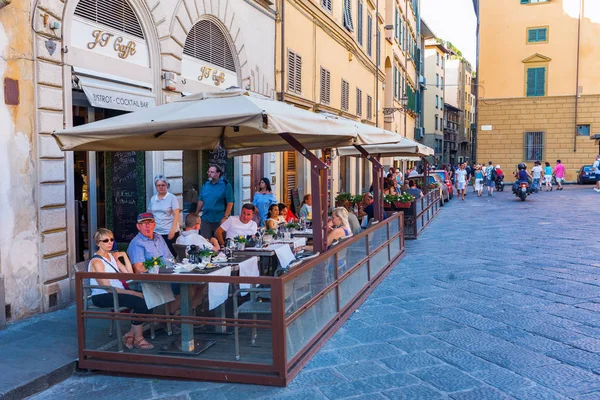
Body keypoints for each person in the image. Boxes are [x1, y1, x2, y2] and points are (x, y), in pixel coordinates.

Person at [90, 228, 154, 350]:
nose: (110, 243)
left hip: (117, 291)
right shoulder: (97, 262)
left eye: (111, 240)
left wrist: (124, 255)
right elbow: (108, 288)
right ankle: (138, 339)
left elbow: (129, 274)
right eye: (105, 240)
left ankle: (130, 334)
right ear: (98, 243)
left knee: (151, 297)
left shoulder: (111, 256)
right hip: (103, 296)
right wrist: (132, 293)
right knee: (140, 301)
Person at [195, 165, 234, 240]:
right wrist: (196, 214)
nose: (209, 173)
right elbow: (201, 199)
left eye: (212, 172)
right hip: (206, 218)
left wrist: (225, 217)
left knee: (220, 243)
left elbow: (230, 202)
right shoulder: (206, 184)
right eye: (208, 172)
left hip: (219, 219)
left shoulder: (225, 184)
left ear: (218, 173)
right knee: (205, 243)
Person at [148, 175, 180, 255]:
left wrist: (172, 231)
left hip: (168, 232)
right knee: (158, 254)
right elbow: (150, 215)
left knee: (170, 255)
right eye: (158, 185)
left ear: (166, 185)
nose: (161, 187)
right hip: (156, 232)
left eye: (163, 185)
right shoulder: (153, 199)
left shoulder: (172, 198)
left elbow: (176, 215)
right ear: (156, 186)